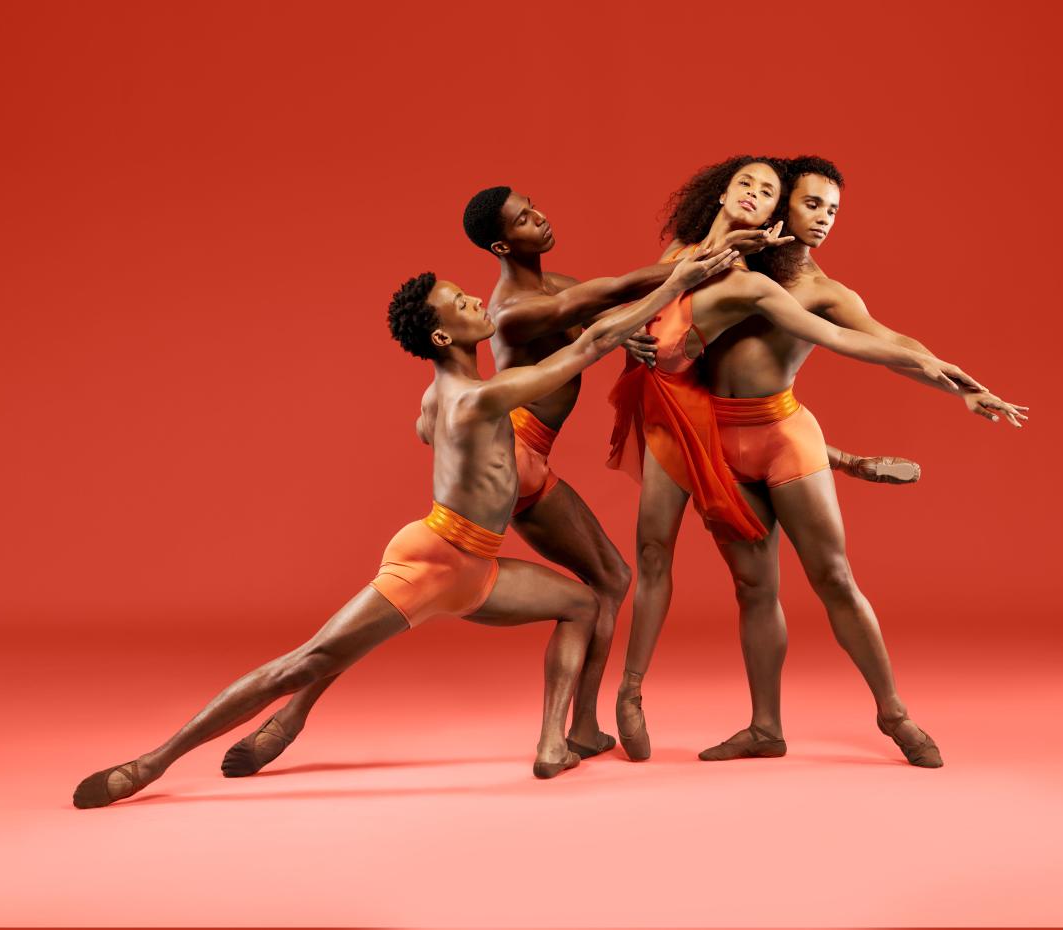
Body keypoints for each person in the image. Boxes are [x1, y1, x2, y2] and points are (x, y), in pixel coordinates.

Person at [71, 247, 736, 808]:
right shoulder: (477, 397)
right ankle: (152, 763)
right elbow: (587, 344)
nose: (481, 305)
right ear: (444, 338)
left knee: (584, 602)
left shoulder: (441, 396)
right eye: (463, 306)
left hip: (476, 567)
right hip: (433, 561)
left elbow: (428, 430)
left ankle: (554, 743)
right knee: (303, 661)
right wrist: (676, 282)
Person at [612, 156, 1027, 768]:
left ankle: (894, 714)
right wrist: (629, 335)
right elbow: (652, 315)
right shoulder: (720, 263)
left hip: (783, 436)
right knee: (754, 587)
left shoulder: (824, 291)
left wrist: (958, 383)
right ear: (779, 208)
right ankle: (765, 728)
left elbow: (888, 342)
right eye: (811, 204)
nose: (824, 219)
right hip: (714, 438)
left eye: (832, 210)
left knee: (833, 578)